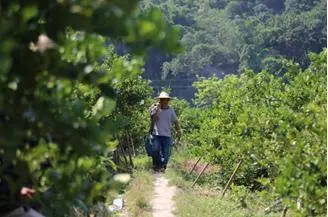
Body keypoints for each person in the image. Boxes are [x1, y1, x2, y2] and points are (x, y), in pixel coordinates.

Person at [149, 91, 181, 172]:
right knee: (155, 150)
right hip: (156, 134)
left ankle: (163, 166)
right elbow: (154, 119)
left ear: (168, 100)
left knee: (166, 153)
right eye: (162, 99)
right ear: (159, 100)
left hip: (167, 135)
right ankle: (158, 165)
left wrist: (178, 131)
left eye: (165, 99)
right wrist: (157, 110)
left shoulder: (171, 110)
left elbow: (176, 121)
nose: (163, 101)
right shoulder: (155, 109)